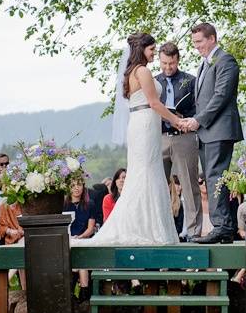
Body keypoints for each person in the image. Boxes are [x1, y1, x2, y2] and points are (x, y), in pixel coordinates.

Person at [76, 33, 183, 247]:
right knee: (146, 173)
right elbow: (153, 103)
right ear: (142, 49)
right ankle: (147, 229)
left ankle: (147, 226)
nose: (154, 53)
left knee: (146, 172)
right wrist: (176, 121)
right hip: (145, 124)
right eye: (152, 49)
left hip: (142, 123)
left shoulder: (132, 72)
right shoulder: (142, 71)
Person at [180, 23, 243, 244]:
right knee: (211, 177)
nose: (196, 47)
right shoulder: (205, 64)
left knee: (216, 177)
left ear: (212, 38)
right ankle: (223, 227)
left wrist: (198, 120)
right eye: (194, 43)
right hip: (208, 131)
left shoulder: (226, 60)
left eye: (200, 42)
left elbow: (221, 96)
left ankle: (223, 227)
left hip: (219, 130)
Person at [156, 42, 202, 240]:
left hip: (184, 138)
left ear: (178, 60)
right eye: (164, 63)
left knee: (190, 186)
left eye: (172, 63)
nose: (168, 67)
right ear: (159, 60)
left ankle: (193, 232)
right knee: (157, 185)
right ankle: (160, 230)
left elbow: (199, 108)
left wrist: (185, 116)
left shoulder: (190, 80)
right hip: (159, 137)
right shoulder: (154, 81)